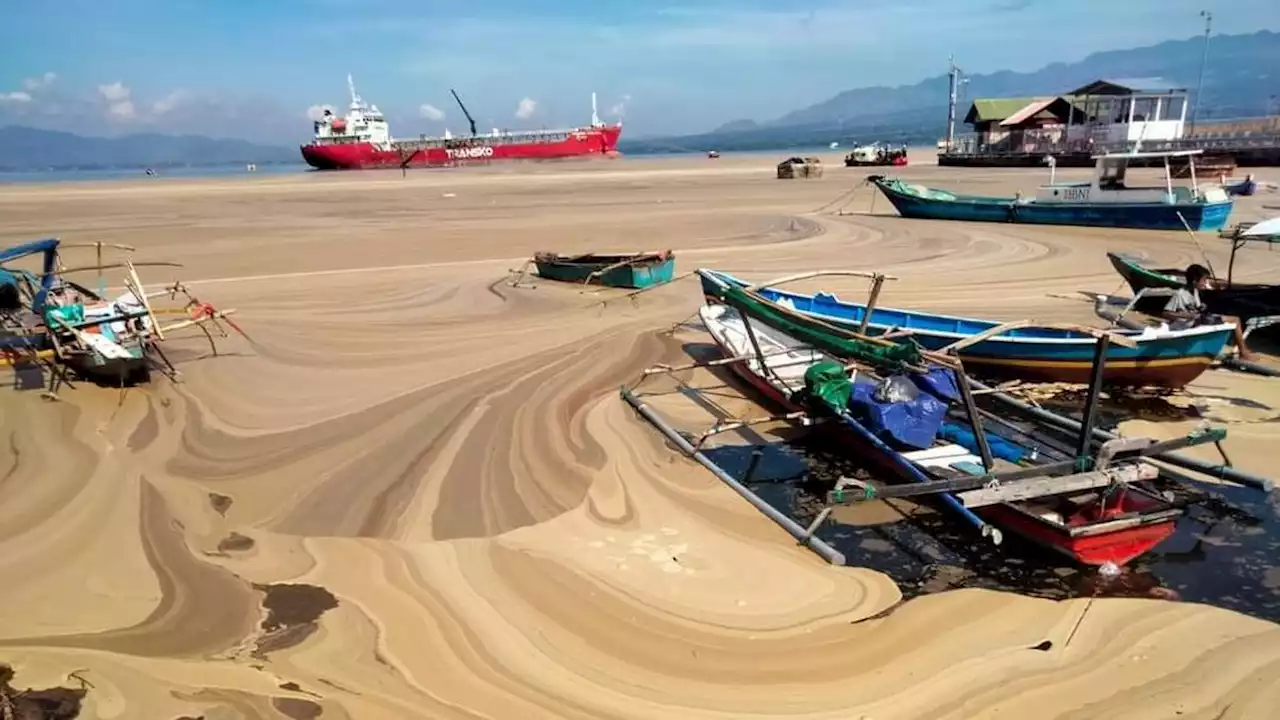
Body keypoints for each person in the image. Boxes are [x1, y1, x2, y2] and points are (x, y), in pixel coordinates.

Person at [1162, 263, 1257, 361]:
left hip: (1199, 320)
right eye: (1203, 280)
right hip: (1189, 325)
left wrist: (1201, 307)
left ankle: (1243, 351)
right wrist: (1187, 315)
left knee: (1234, 319)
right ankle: (1243, 352)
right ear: (1195, 281)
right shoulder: (1180, 294)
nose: (1205, 283)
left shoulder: (1194, 291)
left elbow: (1194, 308)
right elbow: (1165, 313)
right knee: (1235, 320)